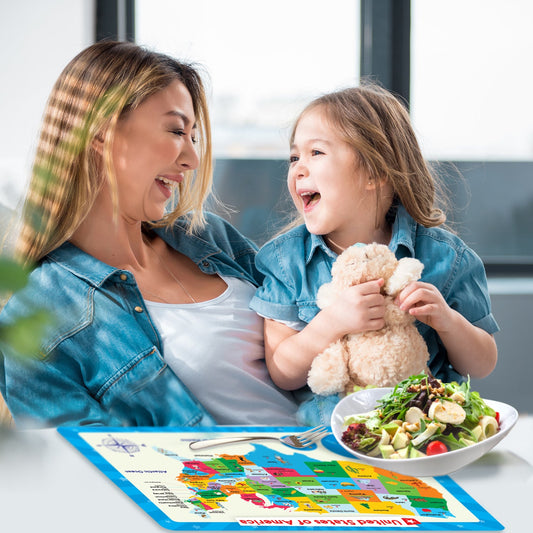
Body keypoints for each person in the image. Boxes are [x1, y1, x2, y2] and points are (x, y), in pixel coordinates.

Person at [0, 41, 299, 428]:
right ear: (100, 132)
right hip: (231, 470)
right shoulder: (39, 314)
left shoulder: (212, 238)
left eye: (193, 137)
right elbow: (83, 460)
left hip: (340, 456)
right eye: (176, 130)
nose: (192, 159)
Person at [250, 82, 499, 426]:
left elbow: (483, 364)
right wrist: (332, 322)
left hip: (424, 436)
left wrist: (447, 321)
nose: (298, 168)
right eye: (294, 157)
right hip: (331, 440)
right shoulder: (285, 261)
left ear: (375, 172)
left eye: (316, 153)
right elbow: (282, 372)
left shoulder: (447, 257)